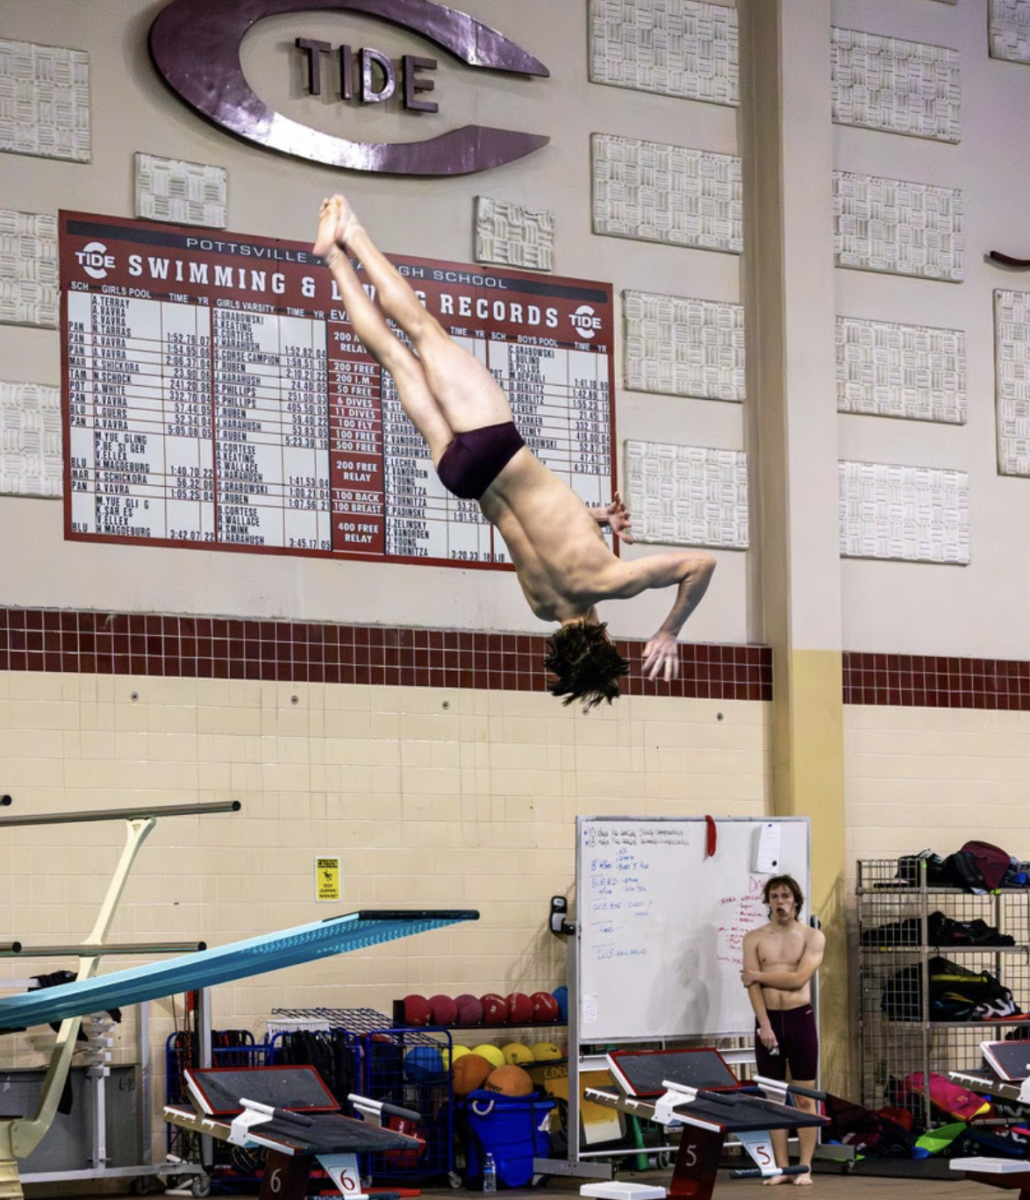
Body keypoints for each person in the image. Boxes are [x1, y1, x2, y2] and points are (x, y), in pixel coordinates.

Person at [313, 195, 716, 708]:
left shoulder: (611, 580)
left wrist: (669, 632)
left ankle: (351, 233)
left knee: (420, 330)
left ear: (608, 641)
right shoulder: (542, 606)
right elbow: (541, 526)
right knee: (393, 359)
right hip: (464, 476)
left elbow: (700, 565)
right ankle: (333, 259)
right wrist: (592, 517)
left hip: (494, 444)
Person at [740, 875, 826, 1186]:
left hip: (799, 1018)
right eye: (774, 896)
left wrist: (758, 975)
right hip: (768, 1022)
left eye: (786, 896)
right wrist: (763, 1024)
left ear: (796, 900)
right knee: (772, 1098)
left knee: (804, 1097)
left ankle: (804, 1167)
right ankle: (780, 1167)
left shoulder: (812, 937)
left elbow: (798, 980)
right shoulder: (754, 938)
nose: (780, 902)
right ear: (767, 901)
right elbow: (751, 987)